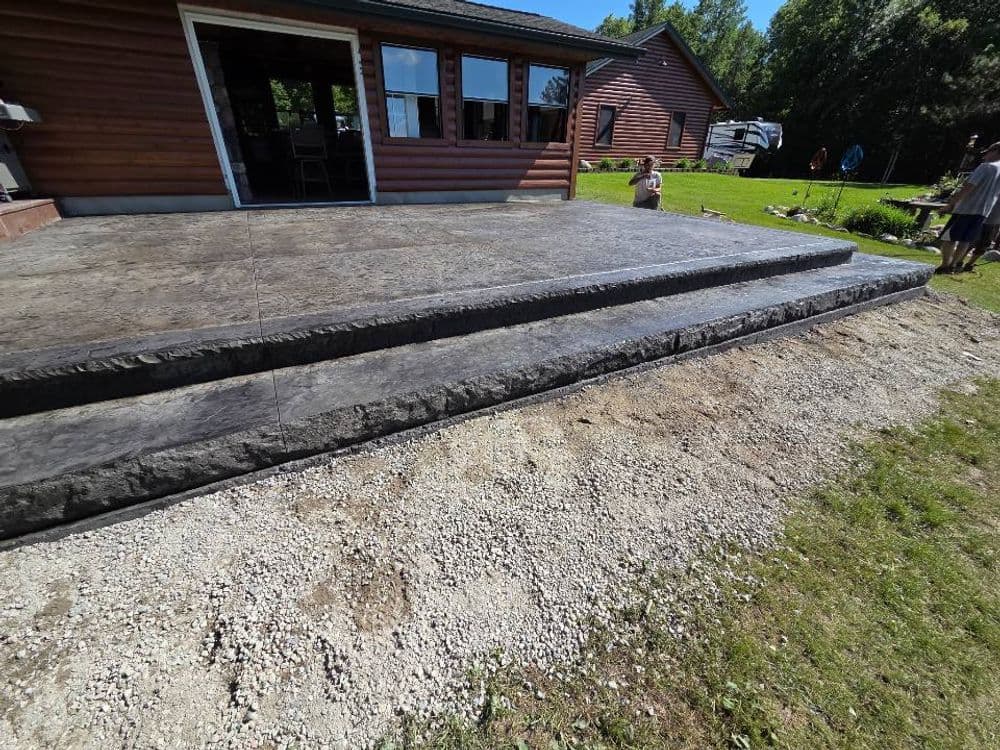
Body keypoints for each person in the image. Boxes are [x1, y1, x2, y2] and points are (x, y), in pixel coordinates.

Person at [937, 140, 1000, 274]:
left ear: (995, 151)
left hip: (967, 209)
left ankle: (945, 265)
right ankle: (953, 265)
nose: (985, 155)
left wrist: (950, 205)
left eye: (988, 152)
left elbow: (968, 187)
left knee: (949, 238)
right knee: (965, 241)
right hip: (983, 213)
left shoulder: (986, 167)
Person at [961, 196, 1000, 272]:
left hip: (994, 221)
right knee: (971, 241)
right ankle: (959, 261)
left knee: (984, 244)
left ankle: (969, 264)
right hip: (983, 216)